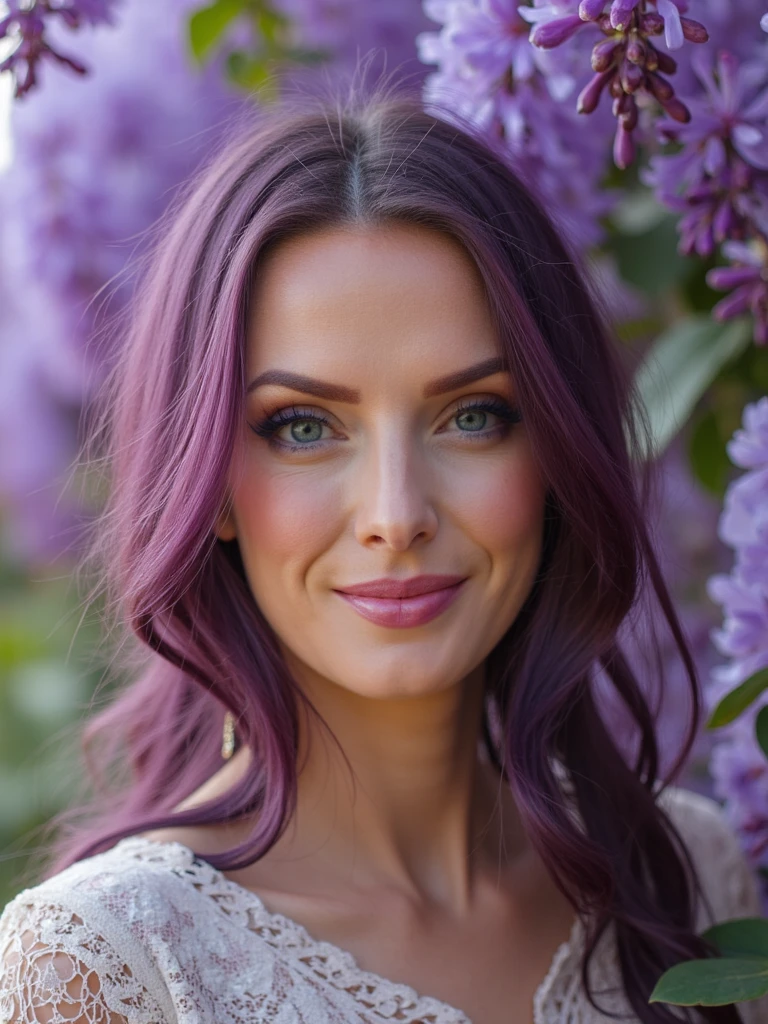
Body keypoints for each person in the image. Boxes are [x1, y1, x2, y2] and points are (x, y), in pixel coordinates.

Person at [0, 80, 765, 1024]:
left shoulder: (686, 876)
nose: (396, 515)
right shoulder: (108, 962)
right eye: (303, 427)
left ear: (560, 452)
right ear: (212, 482)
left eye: (474, 416)